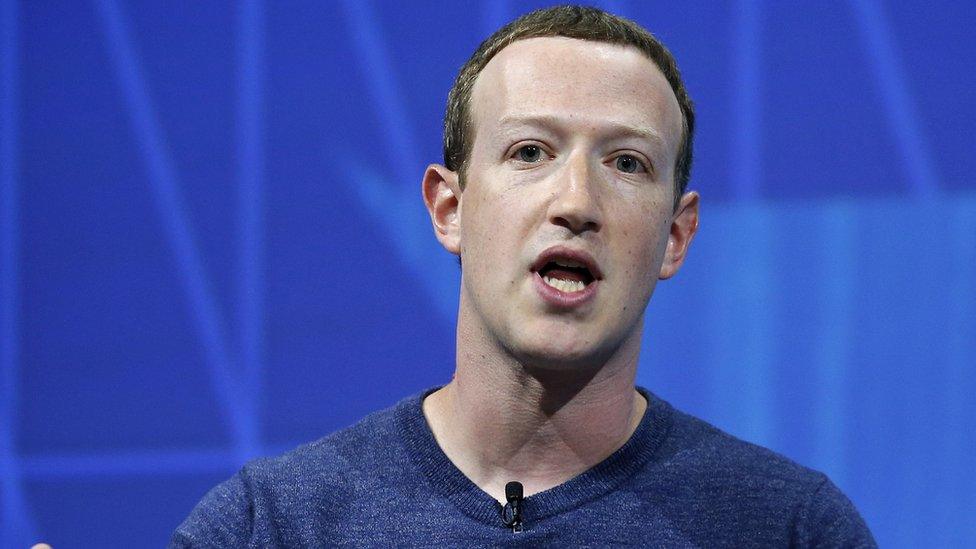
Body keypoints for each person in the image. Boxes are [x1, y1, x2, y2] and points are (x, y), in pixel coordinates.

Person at [171, 6, 876, 546]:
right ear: (450, 208)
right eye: (531, 151)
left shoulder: (788, 527)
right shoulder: (274, 525)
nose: (576, 202)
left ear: (676, 235)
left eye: (627, 163)